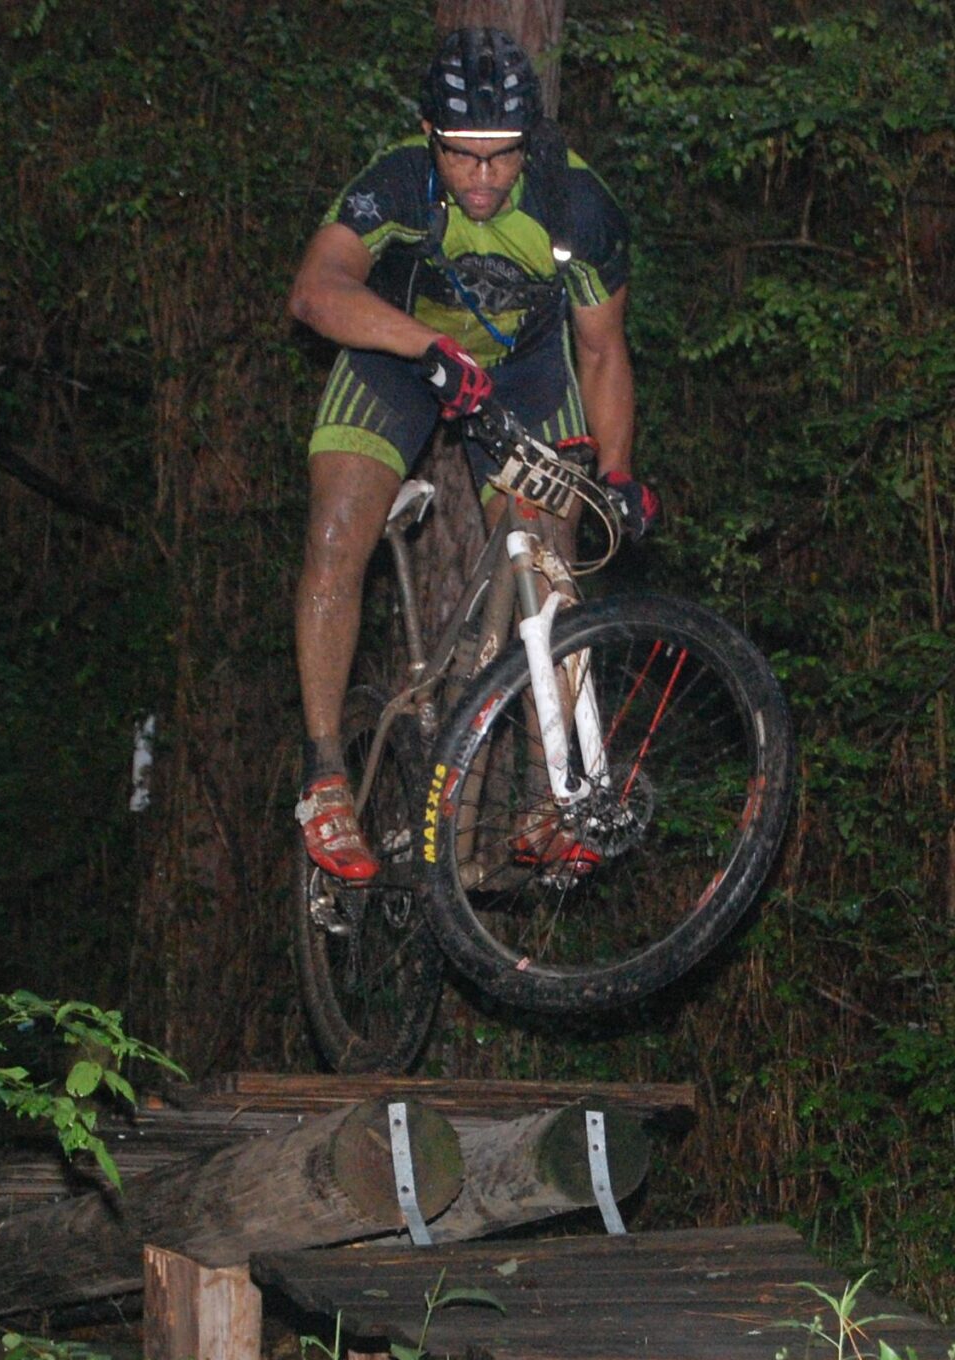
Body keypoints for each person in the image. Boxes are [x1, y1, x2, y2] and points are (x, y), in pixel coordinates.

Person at [286, 26, 656, 884]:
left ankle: (554, 797)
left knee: (552, 566)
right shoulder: (395, 183)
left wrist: (620, 471)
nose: (484, 178)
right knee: (338, 531)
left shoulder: (577, 206)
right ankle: (325, 774)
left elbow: (602, 351)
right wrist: (424, 351)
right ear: (429, 137)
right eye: (463, 157)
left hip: (523, 376)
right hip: (396, 357)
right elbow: (315, 290)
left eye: (502, 158)